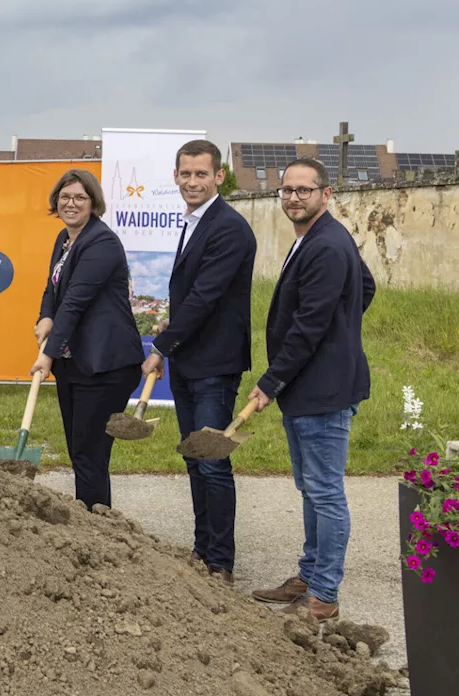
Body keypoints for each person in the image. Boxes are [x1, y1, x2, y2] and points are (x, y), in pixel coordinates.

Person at [249, 158, 375, 621]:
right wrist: (344, 328)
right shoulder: (317, 238)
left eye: (304, 190)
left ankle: (323, 595)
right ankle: (309, 574)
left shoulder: (325, 245)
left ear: (326, 194)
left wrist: (269, 382)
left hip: (322, 391)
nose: (294, 197)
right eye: (287, 190)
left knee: (324, 491)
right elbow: (367, 285)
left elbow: (307, 328)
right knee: (311, 487)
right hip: (309, 386)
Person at [142, 140, 257, 584]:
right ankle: (202, 551)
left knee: (212, 461)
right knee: (194, 458)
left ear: (219, 176)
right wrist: (173, 349)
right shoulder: (193, 222)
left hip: (214, 364)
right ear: (175, 176)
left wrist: (160, 347)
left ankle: (221, 564)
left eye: (201, 174)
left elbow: (205, 296)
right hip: (191, 362)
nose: (192, 181)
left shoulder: (228, 228)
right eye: (185, 174)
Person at [30, 169, 143, 510]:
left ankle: (98, 527)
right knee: (80, 451)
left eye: (80, 197)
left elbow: (76, 301)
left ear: (93, 203)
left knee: (90, 453)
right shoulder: (65, 240)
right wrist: (44, 316)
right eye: (65, 197)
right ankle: (92, 520)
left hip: (105, 365)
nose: (71, 203)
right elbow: (53, 289)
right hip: (76, 363)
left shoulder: (102, 243)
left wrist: (46, 355)